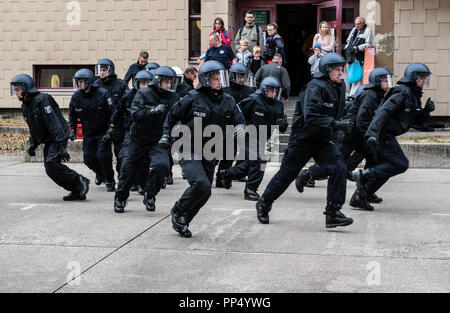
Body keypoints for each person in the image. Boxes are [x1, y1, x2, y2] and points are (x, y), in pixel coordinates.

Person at [256, 52, 354, 229]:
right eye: (337, 70)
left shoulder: (339, 87)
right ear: (326, 70)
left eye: (342, 70)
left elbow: (337, 113)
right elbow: (311, 117)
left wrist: (337, 131)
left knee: (339, 167)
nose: (341, 73)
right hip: (303, 139)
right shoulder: (314, 88)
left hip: (322, 139)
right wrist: (336, 124)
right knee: (285, 175)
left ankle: (333, 213)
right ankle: (264, 202)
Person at [160, 60, 246, 238]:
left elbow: (239, 120)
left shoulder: (228, 100)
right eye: (215, 78)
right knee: (201, 184)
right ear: (206, 79)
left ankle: (183, 219)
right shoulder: (192, 97)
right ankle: (178, 210)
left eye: (221, 78)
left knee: (205, 191)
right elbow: (172, 115)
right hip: (189, 148)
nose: (220, 82)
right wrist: (166, 135)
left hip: (210, 151)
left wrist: (240, 128)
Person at [298, 68, 393, 211]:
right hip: (349, 134)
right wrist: (372, 135)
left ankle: (365, 192)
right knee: (334, 164)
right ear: (377, 81)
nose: (388, 83)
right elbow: (361, 120)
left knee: (374, 159)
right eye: (385, 80)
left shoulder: (379, 96)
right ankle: (307, 174)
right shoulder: (370, 95)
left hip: (360, 134)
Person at [352, 62, 435, 209]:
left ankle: (360, 196)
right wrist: (372, 134)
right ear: (414, 77)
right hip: (383, 134)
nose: (424, 81)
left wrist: (425, 112)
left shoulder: (413, 95)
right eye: (422, 78)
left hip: (388, 135)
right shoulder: (402, 91)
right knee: (400, 164)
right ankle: (363, 175)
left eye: (425, 78)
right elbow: (383, 112)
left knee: (387, 168)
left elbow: (414, 120)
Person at [10, 74, 90, 201]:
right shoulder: (25, 105)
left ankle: (80, 180)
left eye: (18, 89)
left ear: (26, 88)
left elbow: (53, 123)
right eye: (15, 89)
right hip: (49, 139)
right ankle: (76, 190)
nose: (16, 92)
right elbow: (34, 128)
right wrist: (33, 144)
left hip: (58, 135)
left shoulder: (42, 99)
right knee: (49, 169)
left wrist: (61, 146)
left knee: (51, 163)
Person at [114, 66, 180, 213]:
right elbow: (135, 114)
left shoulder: (173, 98)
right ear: (158, 81)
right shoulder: (143, 93)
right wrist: (152, 111)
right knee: (128, 170)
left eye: (171, 82)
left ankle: (150, 194)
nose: (169, 85)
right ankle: (120, 198)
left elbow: (178, 117)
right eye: (166, 82)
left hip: (159, 141)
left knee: (162, 166)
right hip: (138, 139)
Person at [217, 77, 288, 201]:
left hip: (263, 138)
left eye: (276, 91)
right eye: (271, 90)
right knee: (260, 161)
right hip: (248, 135)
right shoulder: (253, 100)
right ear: (264, 90)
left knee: (251, 163)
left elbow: (283, 127)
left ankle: (227, 174)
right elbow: (237, 111)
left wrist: (283, 124)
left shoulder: (278, 105)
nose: (274, 93)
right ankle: (250, 190)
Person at [69, 69, 116, 192]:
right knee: (88, 159)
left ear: (89, 82)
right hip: (88, 132)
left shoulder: (102, 93)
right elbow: (72, 115)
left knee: (103, 157)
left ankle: (110, 180)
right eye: (78, 82)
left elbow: (112, 112)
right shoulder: (76, 97)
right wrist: (72, 130)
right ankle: (100, 174)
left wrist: (111, 128)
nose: (79, 84)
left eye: (82, 81)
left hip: (103, 131)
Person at [109, 70, 153, 193]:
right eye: (142, 83)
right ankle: (130, 182)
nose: (145, 86)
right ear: (136, 84)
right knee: (126, 157)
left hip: (147, 132)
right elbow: (118, 111)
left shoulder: (154, 96)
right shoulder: (128, 96)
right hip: (131, 131)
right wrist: (112, 125)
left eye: (148, 83)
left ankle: (142, 183)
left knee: (145, 160)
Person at [215, 62, 255, 187]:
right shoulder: (225, 90)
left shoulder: (249, 91)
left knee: (230, 153)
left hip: (239, 125)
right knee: (214, 153)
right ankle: (207, 175)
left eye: (243, 76)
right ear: (233, 76)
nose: (241, 79)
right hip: (222, 125)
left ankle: (222, 178)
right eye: (239, 76)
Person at [94, 58, 129, 176]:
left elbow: (127, 102)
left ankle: (121, 172)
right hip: (102, 124)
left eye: (104, 70)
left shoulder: (121, 84)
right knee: (102, 154)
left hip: (118, 124)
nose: (102, 72)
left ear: (110, 70)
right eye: (100, 70)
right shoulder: (96, 85)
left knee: (120, 152)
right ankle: (105, 176)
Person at [344, 17, 374, 97]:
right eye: (356, 24)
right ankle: (347, 95)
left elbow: (369, 45)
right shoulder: (354, 29)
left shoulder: (368, 31)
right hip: (350, 57)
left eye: (358, 24)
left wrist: (358, 47)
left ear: (363, 23)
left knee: (356, 78)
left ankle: (353, 96)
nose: (356, 25)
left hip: (359, 58)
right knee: (347, 77)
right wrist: (347, 48)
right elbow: (348, 40)